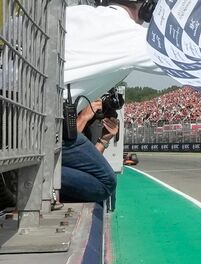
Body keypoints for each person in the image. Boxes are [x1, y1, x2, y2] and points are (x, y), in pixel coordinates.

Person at [59, 0, 158, 203]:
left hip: (13, 100)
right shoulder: (133, 36)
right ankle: (23, 178)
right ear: (147, 6)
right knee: (105, 182)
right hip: (46, 123)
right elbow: (186, 64)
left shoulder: (74, 12)